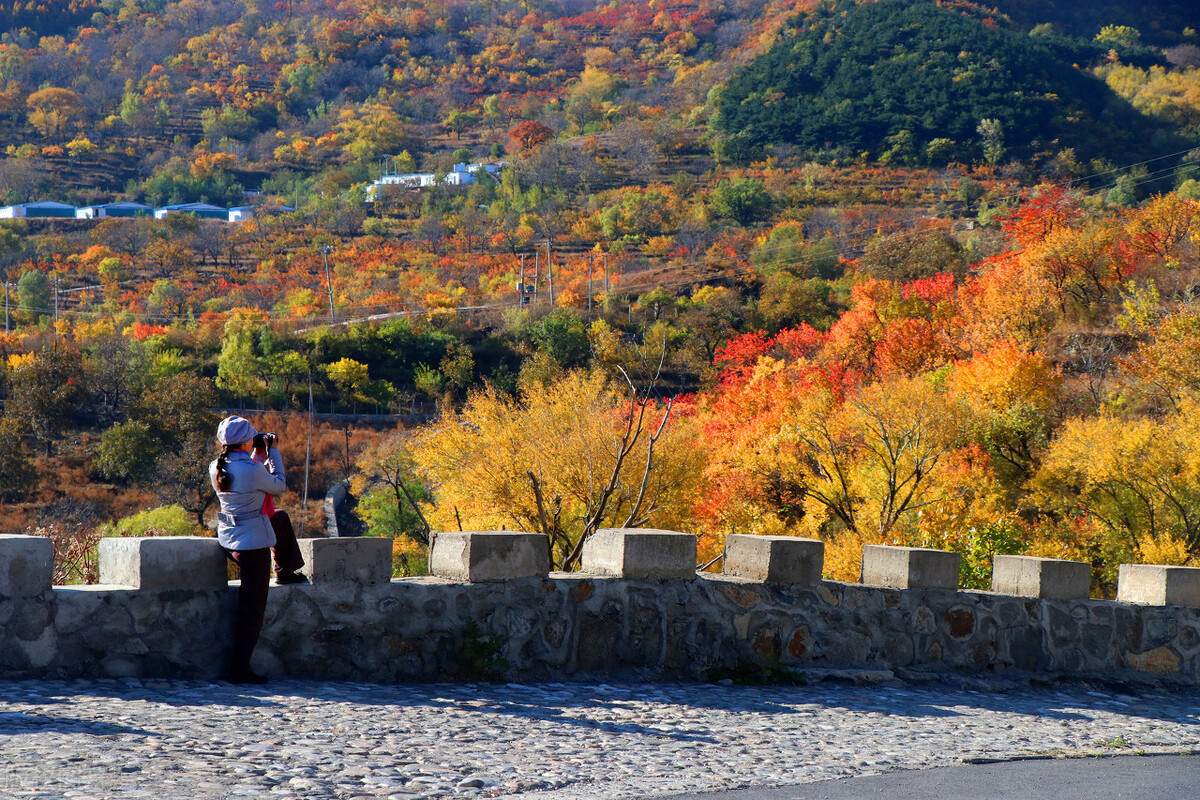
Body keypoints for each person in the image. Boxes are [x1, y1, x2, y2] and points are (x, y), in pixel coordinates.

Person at [209, 415, 304, 684]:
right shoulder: (250, 469)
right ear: (245, 440)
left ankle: (285, 570)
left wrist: (256, 453)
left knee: (281, 519)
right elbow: (278, 484)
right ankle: (240, 669)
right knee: (252, 609)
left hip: (230, 536)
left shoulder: (216, 464)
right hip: (251, 544)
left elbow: (248, 476)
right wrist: (272, 451)